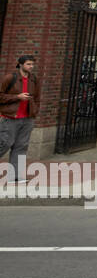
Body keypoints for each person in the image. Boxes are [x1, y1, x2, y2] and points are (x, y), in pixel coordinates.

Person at [0, 55, 39, 185]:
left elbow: (37, 97)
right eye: (28, 64)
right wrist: (17, 97)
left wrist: (35, 111)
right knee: (4, 144)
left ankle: (15, 176)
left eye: (32, 64)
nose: (31, 67)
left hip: (27, 118)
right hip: (10, 117)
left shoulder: (34, 79)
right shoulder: (10, 78)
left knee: (22, 146)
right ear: (21, 64)